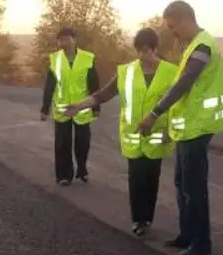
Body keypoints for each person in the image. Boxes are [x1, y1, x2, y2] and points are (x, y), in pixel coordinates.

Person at [136, 1, 223, 255]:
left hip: (199, 127)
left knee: (194, 187)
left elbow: (185, 83)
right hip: (187, 127)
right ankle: (187, 235)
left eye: (173, 26)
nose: (172, 31)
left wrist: (154, 113)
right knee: (181, 184)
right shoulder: (189, 45)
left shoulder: (202, 45)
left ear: (185, 19)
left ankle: (201, 244)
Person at [63, 27, 178, 237]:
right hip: (133, 137)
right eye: (139, 51)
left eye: (147, 51)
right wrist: (80, 105)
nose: (143, 56)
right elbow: (103, 94)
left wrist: (171, 132)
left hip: (157, 137)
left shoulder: (171, 73)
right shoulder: (126, 72)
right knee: (136, 178)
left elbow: (180, 106)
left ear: (155, 49)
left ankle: (147, 217)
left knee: (151, 179)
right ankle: (138, 220)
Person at [40, 27, 100, 186]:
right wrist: (45, 108)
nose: (63, 42)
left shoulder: (87, 58)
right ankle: (64, 175)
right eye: (60, 39)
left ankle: (82, 169)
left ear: (75, 39)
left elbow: (94, 84)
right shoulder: (55, 60)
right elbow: (49, 85)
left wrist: (96, 106)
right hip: (63, 108)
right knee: (62, 143)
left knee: (83, 142)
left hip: (82, 106)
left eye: (66, 39)